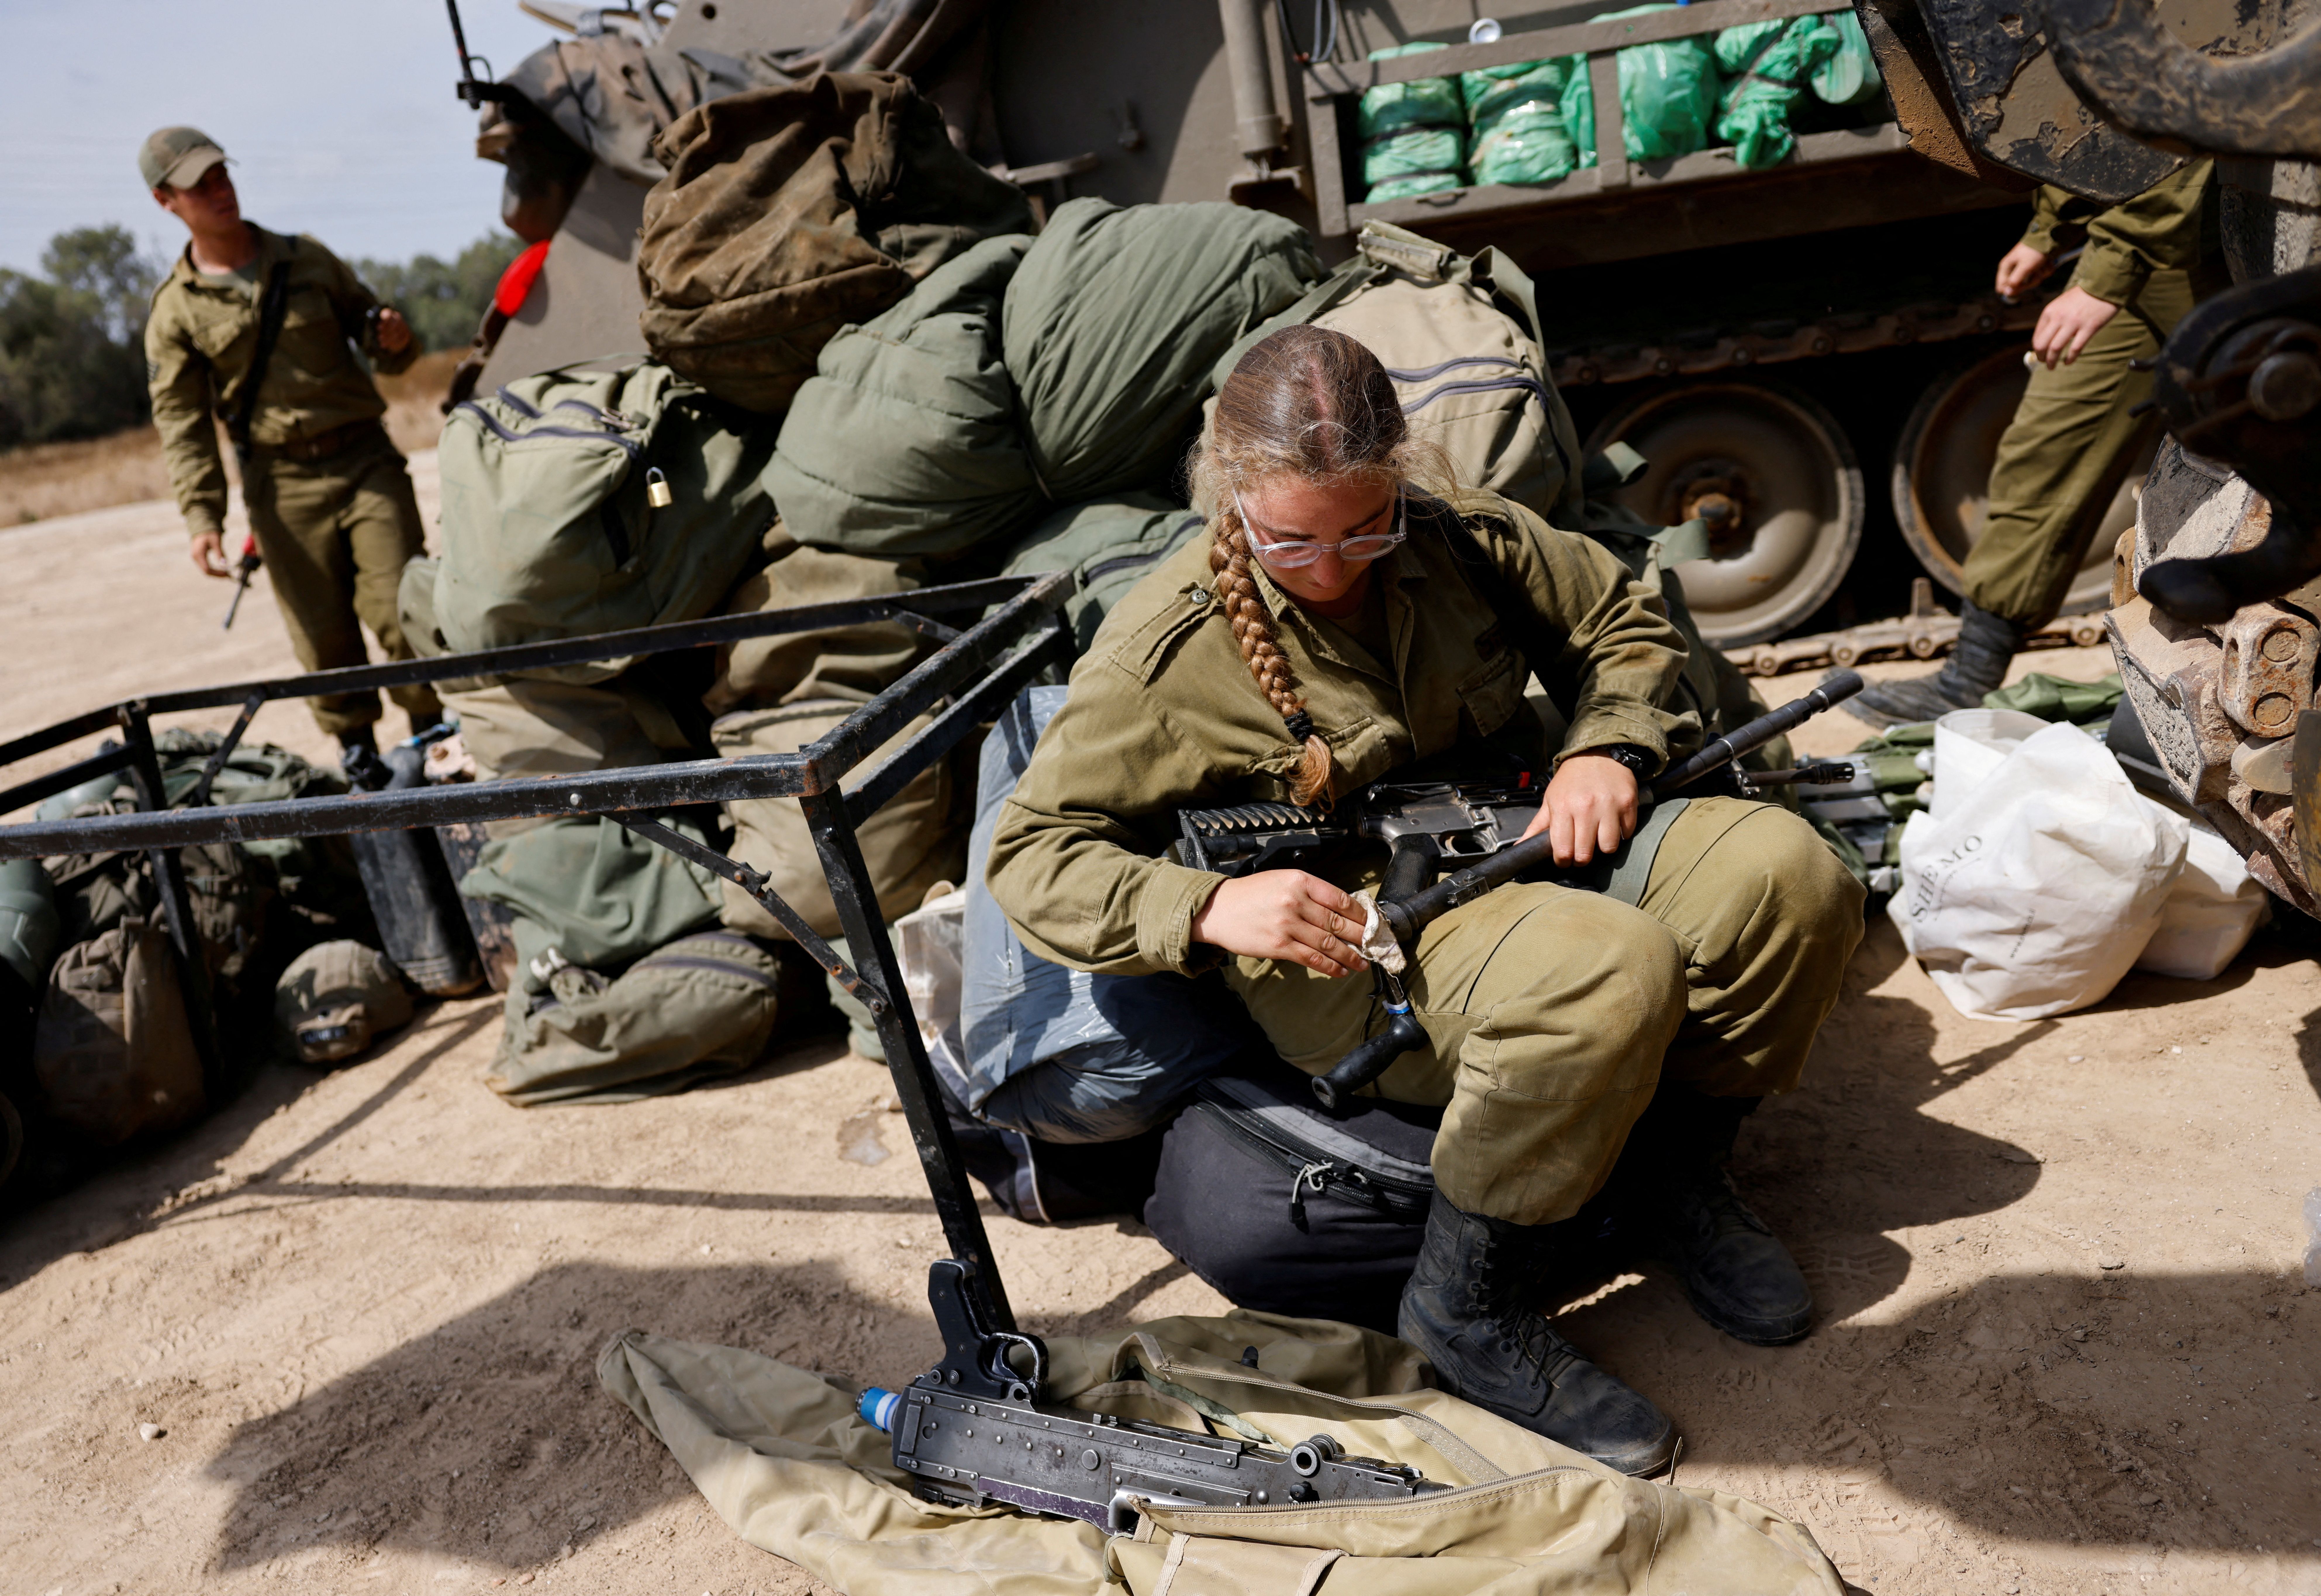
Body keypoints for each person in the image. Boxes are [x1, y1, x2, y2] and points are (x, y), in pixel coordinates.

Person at [986, 327, 1865, 1475]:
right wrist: (1204, 911)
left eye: (1365, 526)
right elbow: (1033, 857)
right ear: (1227, 493)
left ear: (1401, 475)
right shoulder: (1165, 651)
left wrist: (1605, 744)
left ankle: (1668, 1177)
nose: (1334, 567)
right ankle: (1468, 1309)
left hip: (1523, 834)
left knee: (1790, 879)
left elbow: (1623, 624)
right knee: (1605, 970)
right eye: (1291, 540)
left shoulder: (1467, 541)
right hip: (1358, 941)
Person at [1850, 160, 2215, 726]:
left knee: (2268, 447)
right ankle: (1970, 674)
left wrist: (2111, 267)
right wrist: (2052, 226)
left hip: (2217, 234)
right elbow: (2088, 127)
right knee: (2041, 445)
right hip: (2135, 234)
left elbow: (2188, 113)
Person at [139, 125, 443, 766]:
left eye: (222, 175)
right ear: (166, 200)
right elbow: (182, 421)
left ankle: (436, 750)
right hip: (282, 490)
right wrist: (203, 518)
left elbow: (387, 349)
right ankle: (361, 767)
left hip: (366, 464)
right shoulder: (176, 312)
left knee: (404, 613)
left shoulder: (308, 259)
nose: (220, 191)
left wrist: (393, 339)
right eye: (200, 185)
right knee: (323, 642)